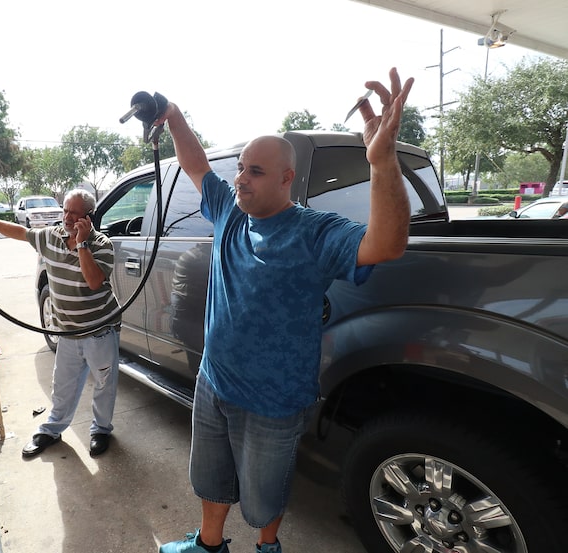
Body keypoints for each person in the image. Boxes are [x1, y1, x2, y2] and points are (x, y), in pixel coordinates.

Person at [156, 67, 414, 553]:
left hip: (274, 397)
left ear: (286, 178)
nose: (241, 179)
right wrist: (172, 116)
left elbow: (387, 244)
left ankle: (266, 547)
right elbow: (196, 167)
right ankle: (208, 544)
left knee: (264, 493)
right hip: (215, 379)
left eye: (255, 171)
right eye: (242, 168)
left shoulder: (316, 231)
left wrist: (382, 163)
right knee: (210, 476)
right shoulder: (232, 212)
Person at [0, 189, 121, 458]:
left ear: (89, 217)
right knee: (62, 385)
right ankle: (52, 429)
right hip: (67, 332)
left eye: (74, 213)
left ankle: (101, 429)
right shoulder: (51, 236)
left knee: (105, 383)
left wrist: (81, 244)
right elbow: (18, 232)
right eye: (65, 211)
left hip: (99, 331)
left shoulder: (102, 245)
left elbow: (93, 281)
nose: (67, 218)